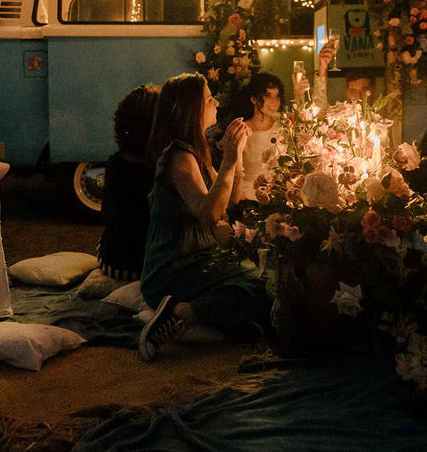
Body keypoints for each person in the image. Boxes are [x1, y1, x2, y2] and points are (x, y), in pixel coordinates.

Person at [138, 73, 268, 361]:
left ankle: (226, 318)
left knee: (265, 271)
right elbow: (209, 214)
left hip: (201, 261)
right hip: (173, 268)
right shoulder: (178, 156)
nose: (216, 102)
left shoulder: (197, 151)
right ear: (190, 108)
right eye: (209, 98)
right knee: (259, 283)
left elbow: (228, 205)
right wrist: (230, 159)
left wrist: (239, 155)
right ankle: (181, 313)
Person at [95, 84, 161, 281]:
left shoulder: (115, 162)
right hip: (137, 268)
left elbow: (108, 215)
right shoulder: (159, 169)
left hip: (111, 257)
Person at [233, 72, 285, 202]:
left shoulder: (282, 128)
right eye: (268, 96)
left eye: (277, 96)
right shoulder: (241, 130)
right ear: (254, 98)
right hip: (245, 198)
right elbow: (231, 173)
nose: (274, 102)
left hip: (276, 197)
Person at [293, 40, 378, 108]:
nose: (358, 97)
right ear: (347, 93)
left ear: (373, 92)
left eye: (364, 91)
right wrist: (322, 66)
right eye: (353, 91)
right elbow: (320, 108)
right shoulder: (339, 118)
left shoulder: (384, 120)